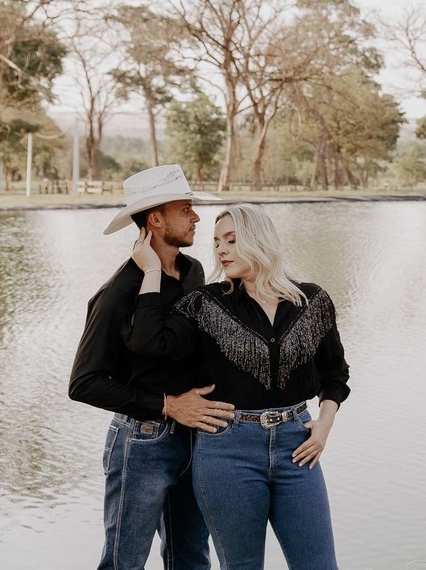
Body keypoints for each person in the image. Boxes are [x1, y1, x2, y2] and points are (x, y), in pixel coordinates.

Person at [126, 203, 350, 570]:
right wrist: (151, 270)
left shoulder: (313, 301)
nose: (220, 250)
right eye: (216, 243)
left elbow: (335, 375)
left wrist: (324, 424)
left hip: (298, 446)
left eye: (231, 240)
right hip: (227, 451)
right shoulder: (205, 304)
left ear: (259, 240)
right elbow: (149, 343)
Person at [69, 164, 235, 570]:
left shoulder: (194, 271)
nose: (196, 217)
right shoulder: (116, 295)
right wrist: (167, 405)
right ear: (156, 219)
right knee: (125, 562)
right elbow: (84, 383)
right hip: (141, 445)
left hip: (196, 440)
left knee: (192, 559)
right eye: (186, 209)